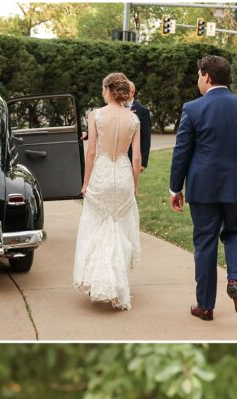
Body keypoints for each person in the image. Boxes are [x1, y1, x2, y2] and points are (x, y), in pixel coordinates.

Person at [168, 55, 237, 323]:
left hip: (203, 187)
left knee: (205, 243)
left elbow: (182, 152)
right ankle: (235, 279)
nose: (198, 80)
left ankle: (205, 306)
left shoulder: (193, 108)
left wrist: (175, 188)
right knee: (235, 232)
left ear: (207, 76)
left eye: (199, 75)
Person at [73, 72, 142, 311]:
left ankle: (96, 280)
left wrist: (85, 182)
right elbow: (137, 157)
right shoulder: (133, 120)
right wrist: (135, 185)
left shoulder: (96, 115)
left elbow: (91, 151)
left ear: (107, 90)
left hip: (101, 175)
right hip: (122, 176)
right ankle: (118, 283)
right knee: (120, 228)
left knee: (97, 226)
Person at [128, 83, 151, 171]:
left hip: (133, 156)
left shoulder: (142, 110)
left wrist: (143, 163)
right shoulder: (116, 108)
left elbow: (146, 138)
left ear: (132, 93)